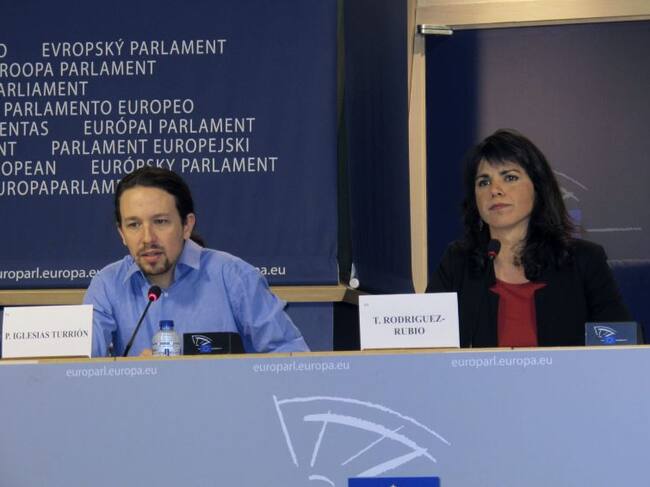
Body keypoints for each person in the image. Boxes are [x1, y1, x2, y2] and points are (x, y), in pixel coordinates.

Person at [427, 129, 631, 347]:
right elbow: (424, 345)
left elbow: (620, 346)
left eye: (510, 178)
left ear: (538, 188)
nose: (495, 190)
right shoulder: (458, 262)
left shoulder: (583, 260)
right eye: (484, 182)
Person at [84, 167, 309, 356]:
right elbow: (79, 367)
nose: (147, 238)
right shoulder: (107, 285)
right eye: (134, 225)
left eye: (160, 221)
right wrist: (131, 373)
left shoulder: (234, 277)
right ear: (122, 233)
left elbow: (292, 357)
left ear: (187, 225)